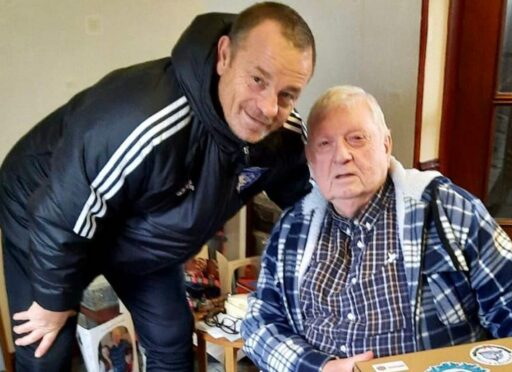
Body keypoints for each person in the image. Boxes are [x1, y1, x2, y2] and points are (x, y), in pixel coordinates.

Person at [0, 2, 315, 371]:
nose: (268, 107)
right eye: (257, 79)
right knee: (45, 349)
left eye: (288, 94)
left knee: (171, 335)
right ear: (224, 56)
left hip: (140, 225)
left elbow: (310, 197)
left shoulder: (283, 132)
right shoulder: (143, 121)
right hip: (47, 211)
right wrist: (54, 303)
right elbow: (60, 216)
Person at [241, 86, 512, 372]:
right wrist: (321, 367)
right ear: (310, 160)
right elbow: (260, 323)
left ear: (386, 144)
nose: (342, 156)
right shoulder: (294, 229)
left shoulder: (447, 210)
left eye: (357, 139)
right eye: (325, 144)